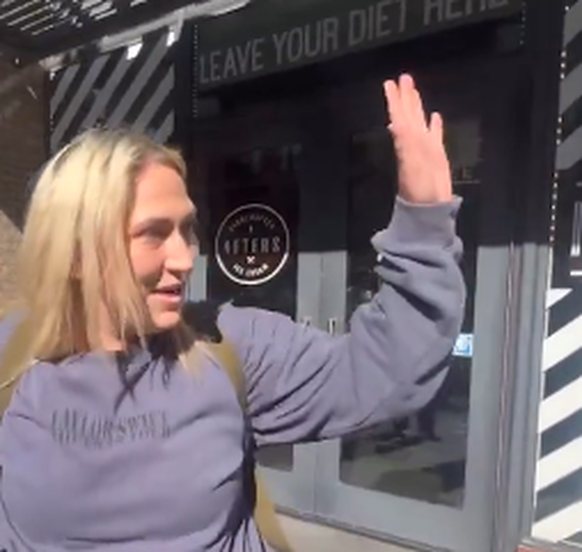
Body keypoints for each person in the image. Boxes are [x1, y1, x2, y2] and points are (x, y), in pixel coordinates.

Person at [0, 74, 465, 551]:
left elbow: (385, 370)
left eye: (186, 229)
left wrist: (424, 225)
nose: (184, 257)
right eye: (154, 234)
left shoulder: (227, 347)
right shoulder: (11, 361)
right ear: (76, 253)